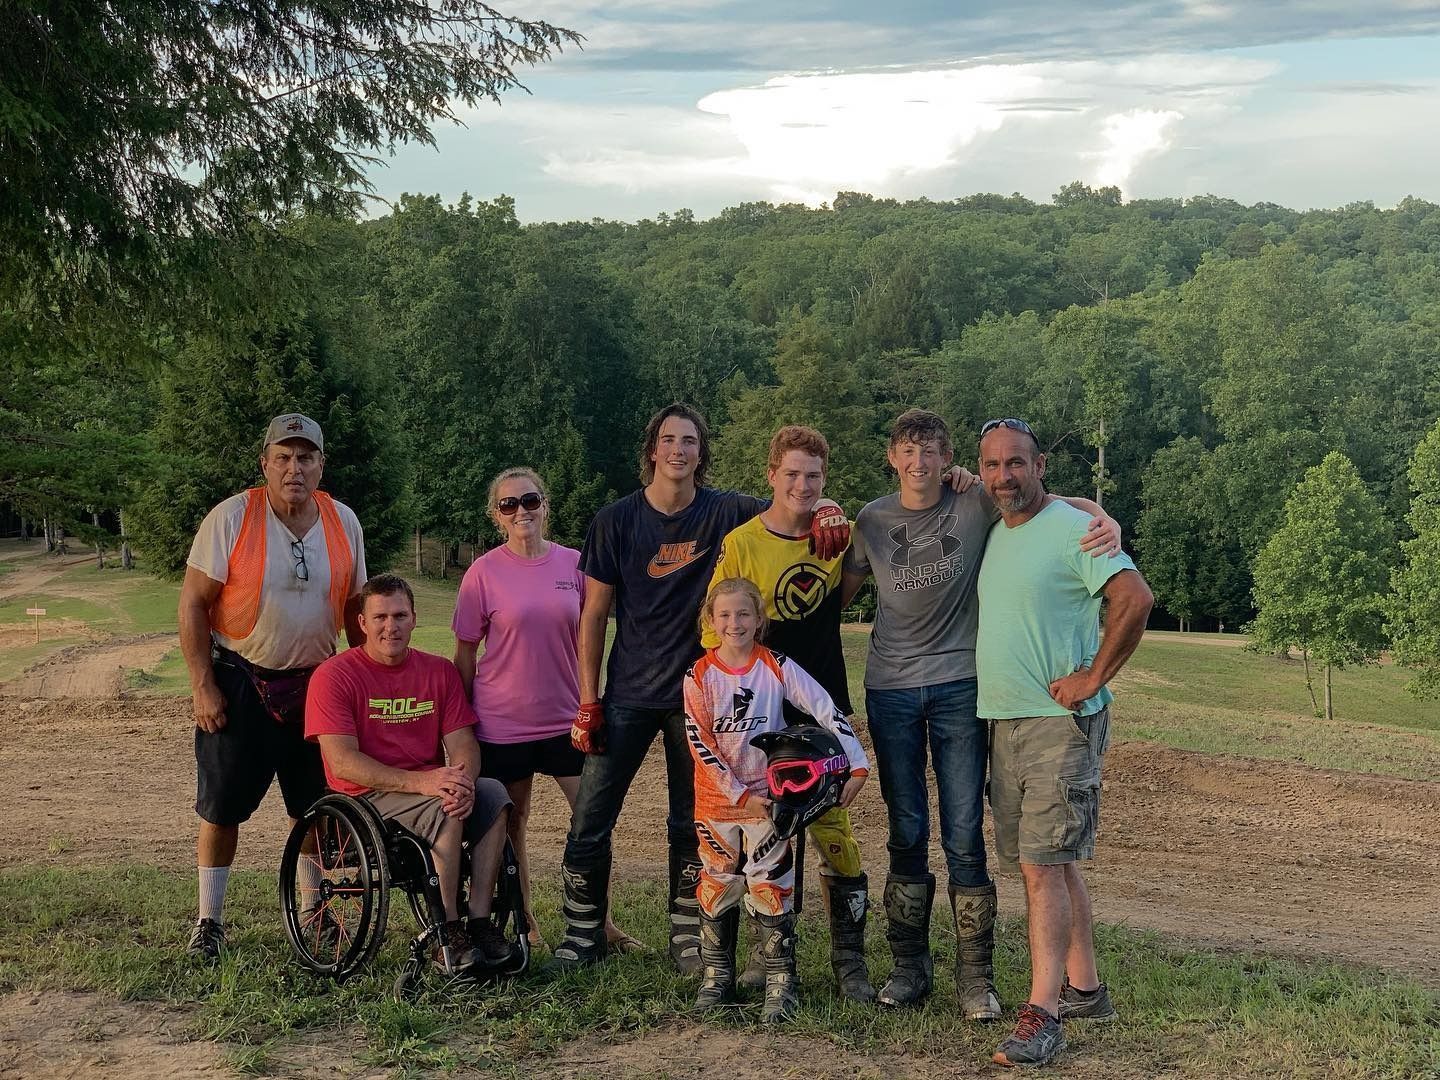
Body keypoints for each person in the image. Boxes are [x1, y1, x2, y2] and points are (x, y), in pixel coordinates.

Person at [840, 409, 1120, 1015]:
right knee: (906, 828)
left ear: (946, 459)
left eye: (933, 451)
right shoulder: (871, 519)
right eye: (908, 452)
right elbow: (836, 590)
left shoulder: (973, 504)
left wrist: (1100, 514)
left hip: (960, 686)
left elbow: (1035, 499)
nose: (920, 462)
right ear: (891, 457)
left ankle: (976, 978)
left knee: (965, 833)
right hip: (889, 688)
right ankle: (910, 968)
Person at [554, 402, 851, 972]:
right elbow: (592, 615)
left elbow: (790, 500)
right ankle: (582, 933)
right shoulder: (615, 520)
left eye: (690, 441)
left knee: (690, 820)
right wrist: (588, 699)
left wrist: (830, 505)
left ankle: (688, 934)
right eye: (669, 439)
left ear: (700, 452)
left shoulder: (724, 513)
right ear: (652, 449)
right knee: (591, 814)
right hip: (628, 694)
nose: (679, 450)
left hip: (702, 697)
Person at [976, 418, 1152, 1068]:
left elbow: (1134, 597)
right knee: (1048, 858)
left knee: (1042, 866)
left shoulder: (1076, 527)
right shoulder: (992, 529)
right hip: (1003, 721)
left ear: (1040, 463)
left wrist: (1094, 676)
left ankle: (1043, 1014)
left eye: (1016, 463)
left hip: (1059, 723)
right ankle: (1085, 989)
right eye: (993, 465)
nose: (1004, 476)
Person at [177, 413, 366, 961]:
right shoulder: (232, 517)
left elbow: (356, 610)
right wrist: (201, 684)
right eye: (283, 457)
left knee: (314, 808)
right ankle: (209, 922)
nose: (294, 468)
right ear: (265, 464)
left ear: (321, 465)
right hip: (240, 681)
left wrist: (364, 682)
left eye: (305, 457)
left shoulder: (343, 521)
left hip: (317, 685)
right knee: (222, 808)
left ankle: (317, 911)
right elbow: (192, 602)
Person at [702, 425, 878, 1002]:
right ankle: (765, 952)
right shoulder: (744, 541)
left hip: (821, 696)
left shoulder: (837, 533)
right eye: (793, 474)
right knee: (761, 828)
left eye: (815, 477)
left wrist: (836, 512)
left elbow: (845, 591)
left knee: (833, 826)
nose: (803, 485)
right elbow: (719, 628)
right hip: (761, 708)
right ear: (770, 476)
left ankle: (848, 958)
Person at [452, 467, 635, 955]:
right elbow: (465, 655)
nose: (521, 511)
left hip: (568, 719)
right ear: (497, 516)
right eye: (509, 505)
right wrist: (460, 723)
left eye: (529, 500)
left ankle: (602, 923)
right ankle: (526, 921)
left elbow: (591, 633)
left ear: (544, 505)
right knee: (512, 826)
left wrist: (591, 701)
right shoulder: (482, 573)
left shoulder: (575, 565)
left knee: (592, 822)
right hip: (502, 722)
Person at [306, 574, 517, 973]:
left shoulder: (438, 671)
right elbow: (342, 762)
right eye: (381, 617)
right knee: (445, 808)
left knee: (494, 795)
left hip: (431, 786)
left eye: (400, 615)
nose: (391, 626)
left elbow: (463, 743)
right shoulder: (334, 677)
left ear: (415, 618)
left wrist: (463, 781)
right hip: (365, 796)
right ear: (363, 623)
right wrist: (428, 784)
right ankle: (448, 932)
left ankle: (480, 921)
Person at [683, 578, 869, 1022]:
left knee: (771, 885)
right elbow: (699, 742)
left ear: (759, 619)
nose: (734, 623)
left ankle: (780, 979)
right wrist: (738, 794)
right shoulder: (698, 675)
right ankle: (717, 976)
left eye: (743, 614)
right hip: (718, 803)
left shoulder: (776, 665)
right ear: (710, 620)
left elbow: (824, 706)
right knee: (717, 883)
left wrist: (857, 763)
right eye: (724, 615)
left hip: (771, 801)